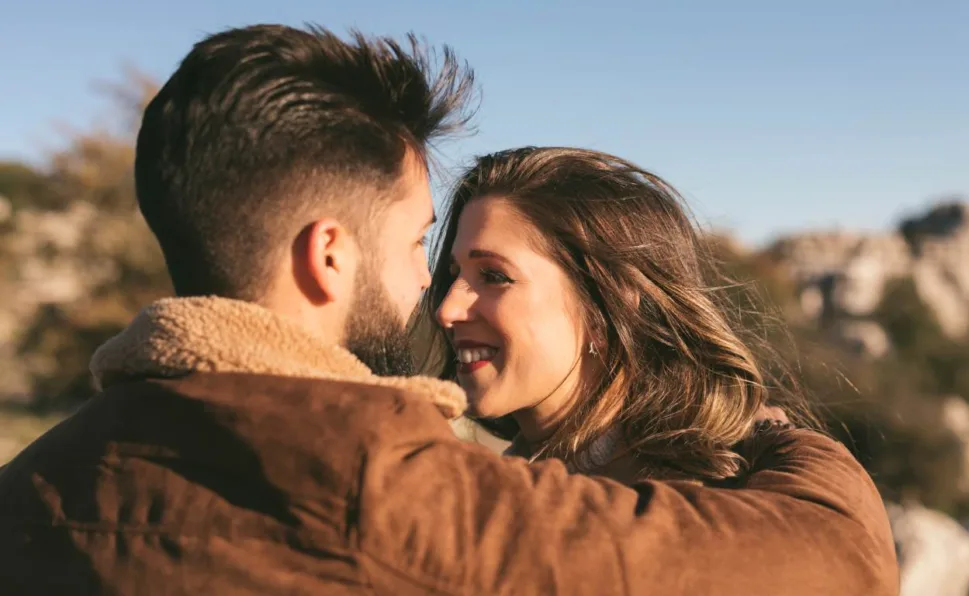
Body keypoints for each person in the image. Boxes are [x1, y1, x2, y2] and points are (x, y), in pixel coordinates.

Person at [0, 24, 899, 595]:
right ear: (328, 255)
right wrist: (792, 443)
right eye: (418, 247)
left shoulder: (37, 481)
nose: (440, 297)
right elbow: (840, 564)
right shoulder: (393, 488)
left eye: (490, 273)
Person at [428, 146, 819, 484]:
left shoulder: (698, 498)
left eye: (494, 276)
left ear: (606, 306)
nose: (448, 309)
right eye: (455, 276)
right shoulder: (512, 482)